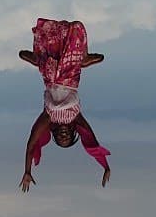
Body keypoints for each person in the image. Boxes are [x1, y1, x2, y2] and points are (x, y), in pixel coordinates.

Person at [18, 18, 111, 190]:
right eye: (67, 138)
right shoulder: (76, 118)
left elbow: (31, 142)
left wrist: (27, 170)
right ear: (73, 132)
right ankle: (83, 58)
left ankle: (38, 59)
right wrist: (105, 166)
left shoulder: (49, 118)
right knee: (76, 27)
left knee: (33, 55)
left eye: (60, 139)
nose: (63, 136)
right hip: (70, 73)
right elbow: (92, 141)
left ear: (54, 133)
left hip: (50, 73)